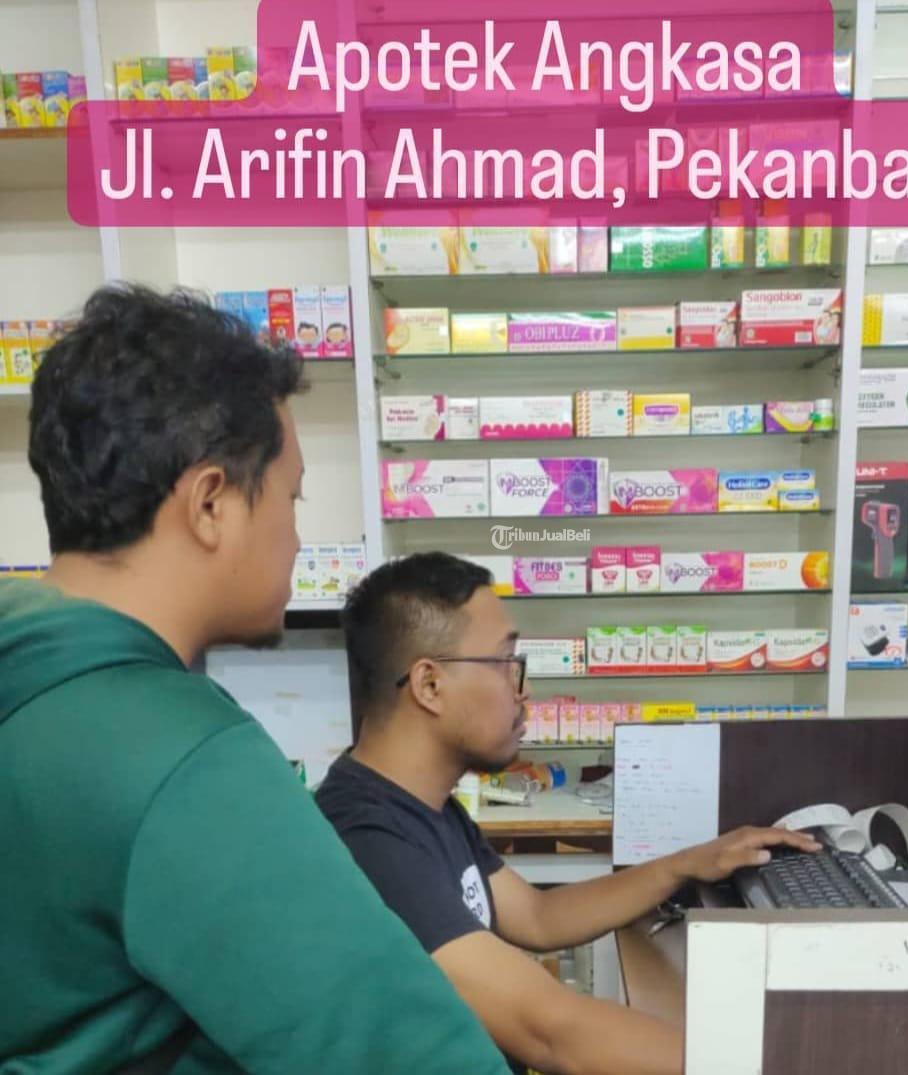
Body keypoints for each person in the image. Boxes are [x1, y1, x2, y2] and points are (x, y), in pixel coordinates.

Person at [0, 286, 512, 1075]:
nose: (298, 536)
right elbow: (413, 1054)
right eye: (291, 496)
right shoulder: (179, 757)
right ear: (211, 503)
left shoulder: (29, 668)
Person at [316, 552, 821, 1075]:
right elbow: (552, 1033)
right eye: (506, 663)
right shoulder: (366, 839)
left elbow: (539, 916)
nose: (524, 689)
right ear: (429, 685)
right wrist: (780, 1063)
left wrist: (685, 864)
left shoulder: (424, 805)